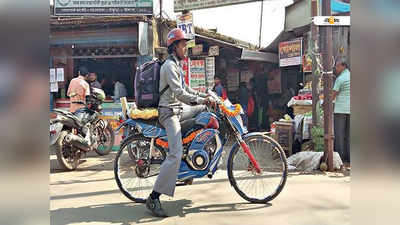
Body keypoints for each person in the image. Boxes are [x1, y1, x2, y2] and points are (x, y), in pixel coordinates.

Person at [146, 28, 214, 217]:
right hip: (168, 113)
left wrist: (204, 96)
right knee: (175, 153)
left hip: (178, 109)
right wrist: (201, 100)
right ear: (174, 47)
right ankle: (154, 197)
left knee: (203, 113)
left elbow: (187, 88)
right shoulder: (169, 66)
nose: (186, 49)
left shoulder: (176, 64)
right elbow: (180, 94)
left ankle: (191, 160)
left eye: (185, 45)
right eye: (183, 45)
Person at [332, 60, 351, 164]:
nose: (336, 69)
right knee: (349, 136)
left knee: (339, 135)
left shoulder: (340, 78)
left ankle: (340, 158)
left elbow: (333, 94)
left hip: (340, 110)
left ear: (343, 66)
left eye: (337, 66)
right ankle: (350, 158)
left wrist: (325, 103)